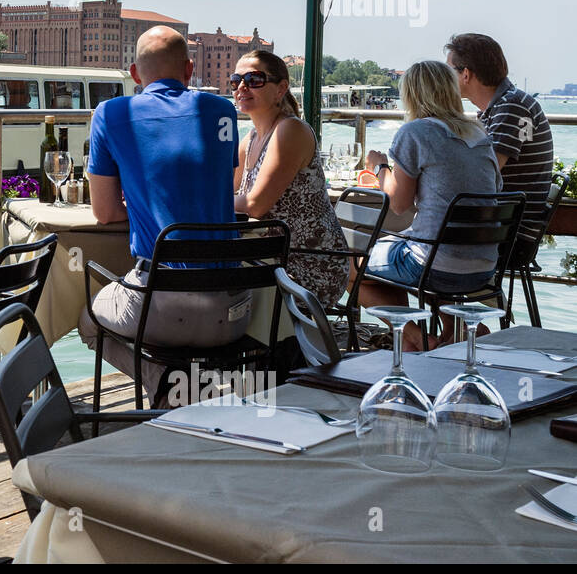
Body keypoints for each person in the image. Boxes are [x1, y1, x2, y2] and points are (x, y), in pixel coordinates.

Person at [81, 27, 248, 405]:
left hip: (160, 310)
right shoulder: (223, 110)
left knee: (89, 321)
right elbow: (217, 183)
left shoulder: (110, 113)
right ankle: (189, 386)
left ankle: (165, 384)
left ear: (134, 74)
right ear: (189, 70)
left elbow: (104, 212)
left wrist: (143, 202)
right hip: (234, 313)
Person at [359, 60, 502, 350]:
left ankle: (415, 337)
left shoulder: (415, 133)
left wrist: (379, 167)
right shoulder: (480, 135)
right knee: (412, 252)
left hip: (436, 267)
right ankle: (455, 326)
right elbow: (493, 190)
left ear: (411, 95)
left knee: (350, 265)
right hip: (484, 268)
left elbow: (398, 204)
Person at [233, 50, 348, 310]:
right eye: (235, 80)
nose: (242, 87)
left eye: (254, 80)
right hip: (269, 259)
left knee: (214, 279)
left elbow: (254, 205)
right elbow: (225, 192)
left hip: (309, 267)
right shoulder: (249, 140)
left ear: (281, 88)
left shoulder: (290, 130)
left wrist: (203, 201)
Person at [445, 33, 554, 256]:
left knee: (372, 248)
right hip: (500, 228)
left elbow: (483, 173)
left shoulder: (512, 107)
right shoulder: (501, 106)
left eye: (447, 72)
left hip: (507, 236)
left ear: (466, 74)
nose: (443, 79)